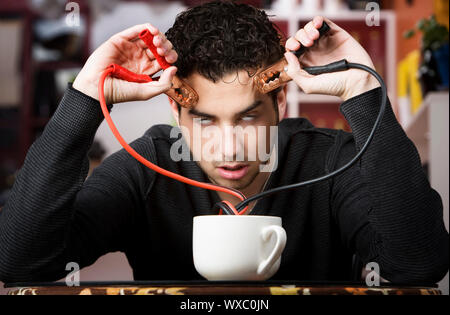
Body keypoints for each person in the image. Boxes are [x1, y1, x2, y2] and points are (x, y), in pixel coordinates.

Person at [0, 1, 447, 284]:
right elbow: (20, 262)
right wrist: (84, 101)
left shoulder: (329, 161)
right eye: (205, 120)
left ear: (280, 100)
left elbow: (416, 266)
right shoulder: (146, 167)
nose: (230, 149)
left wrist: (363, 97)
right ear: (176, 109)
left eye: (249, 116)